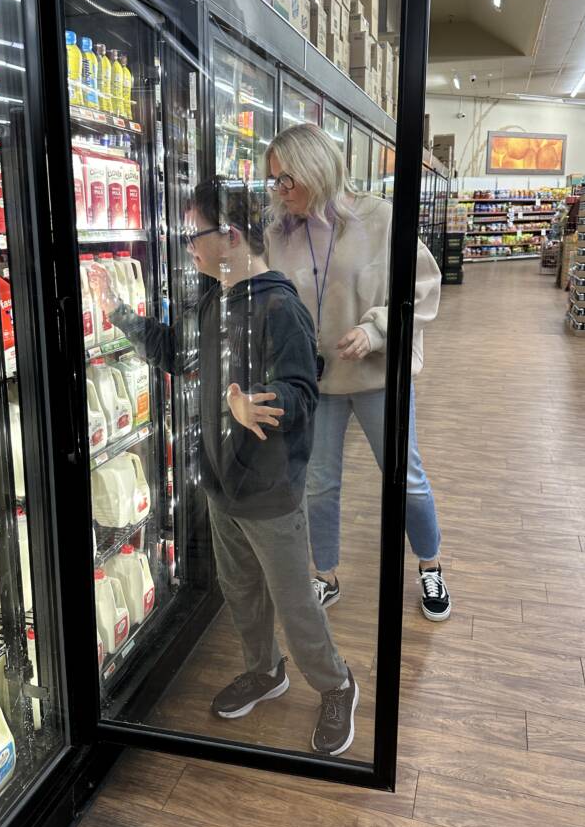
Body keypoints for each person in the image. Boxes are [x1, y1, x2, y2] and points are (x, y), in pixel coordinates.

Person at [88, 176, 358, 755]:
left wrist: (256, 401)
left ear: (230, 236)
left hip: (270, 491)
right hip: (222, 485)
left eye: (194, 235)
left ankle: (336, 684)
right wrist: (116, 312)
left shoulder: (280, 306)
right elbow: (177, 351)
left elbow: (302, 392)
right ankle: (266, 671)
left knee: (294, 601)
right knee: (241, 592)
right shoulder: (215, 297)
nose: (189, 245)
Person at [264, 124, 450, 622]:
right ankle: (324, 574)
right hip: (315, 381)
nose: (280, 192)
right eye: (273, 181)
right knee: (319, 482)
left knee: (405, 476)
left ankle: (430, 564)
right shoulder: (279, 234)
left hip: (377, 377)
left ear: (316, 169)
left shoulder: (382, 218)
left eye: (287, 180)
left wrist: (378, 329)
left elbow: (424, 288)